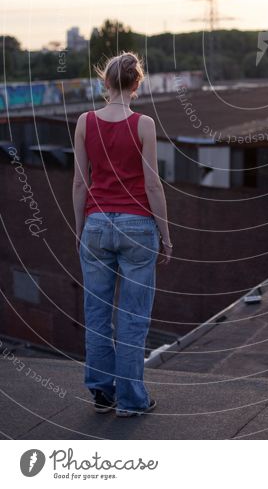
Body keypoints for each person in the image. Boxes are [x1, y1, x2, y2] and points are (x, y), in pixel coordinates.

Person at [72, 51, 172, 417]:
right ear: (135, 84)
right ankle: (131, 401)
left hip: (96, 224)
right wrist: (166, 234)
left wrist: (81, 228)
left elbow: (80, 182)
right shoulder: (143, 124)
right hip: (137, 227)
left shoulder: (85, 122)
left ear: (105, 83)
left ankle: (102, 395)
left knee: (96, 314)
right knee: (132, 319)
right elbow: (153, 186)